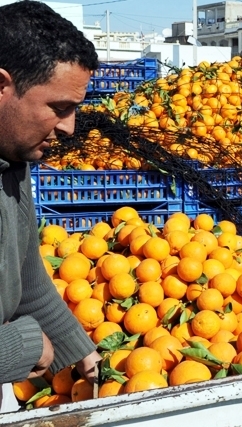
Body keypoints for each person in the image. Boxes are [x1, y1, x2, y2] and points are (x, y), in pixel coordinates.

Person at [0, 1, 102, 411]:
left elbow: (24, 273)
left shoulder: (14, 158)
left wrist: (78, 348)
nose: (69, 127)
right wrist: (20, 345)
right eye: (59, 108)